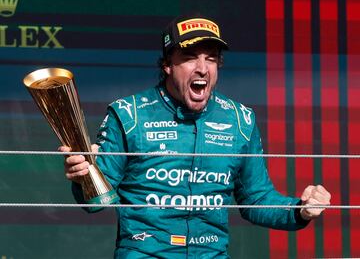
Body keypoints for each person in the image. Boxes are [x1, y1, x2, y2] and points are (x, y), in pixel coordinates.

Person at [59, 13, 331, 258]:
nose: (202, 68)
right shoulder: (128, 115)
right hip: (147, 253)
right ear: (167, 64)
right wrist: (84, 175)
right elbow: (95, 203)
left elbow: (257, 200)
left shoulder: (240, 120)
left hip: (211, 254)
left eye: (211, 58)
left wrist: (300, 210)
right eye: (190, 57)